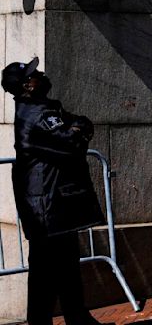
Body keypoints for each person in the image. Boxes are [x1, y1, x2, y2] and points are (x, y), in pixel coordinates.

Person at [1, 57, 109, 325]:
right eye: (33, 74)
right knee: (47, 271)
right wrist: (79, 127)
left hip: (50, 202)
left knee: (65, 266)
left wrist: (77, 124)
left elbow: (75, 126)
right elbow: (73, 140)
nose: (40, 74)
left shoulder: (40, 109)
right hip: (47, 204)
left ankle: (77, 317)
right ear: (27, 86)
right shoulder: (38, 115)